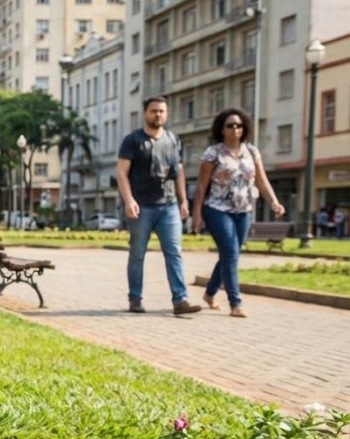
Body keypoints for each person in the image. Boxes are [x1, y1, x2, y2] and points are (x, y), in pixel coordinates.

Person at [191, 108, 286, 318]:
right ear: (222, 130)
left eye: (239, 125)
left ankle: (209, 293)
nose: (235, 129)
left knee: (230, 254)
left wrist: (274, 202)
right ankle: (236, 303)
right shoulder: (213, 153)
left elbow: (261, 180)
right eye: (230, 125)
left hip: (243, 210)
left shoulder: (252, 151)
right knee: (231, 253)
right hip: (216, 209)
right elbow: (201, 186)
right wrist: (196, 215)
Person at [117, 96, 203, 315]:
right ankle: (135, 299)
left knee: (174, 252)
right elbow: (122, 173)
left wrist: (184, 200)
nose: (158, 115)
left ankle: (180, 300)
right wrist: (129, 201)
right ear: (145, 113)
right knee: (137, 253)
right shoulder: (132, 140)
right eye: (154, 111)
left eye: (162, 111)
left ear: (167, 114)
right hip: (141, 206)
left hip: (169, 206)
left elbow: (179, 173)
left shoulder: (173, 139)